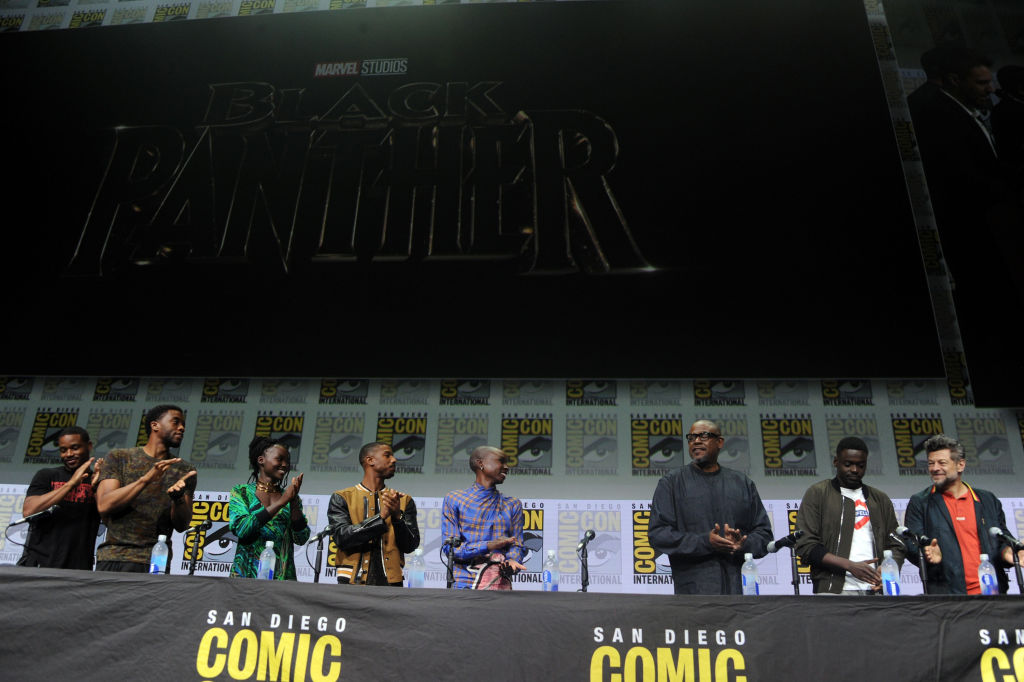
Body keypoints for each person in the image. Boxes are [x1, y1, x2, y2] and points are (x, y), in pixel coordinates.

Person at [648, 419, 772, 594]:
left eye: (703, 436)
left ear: (719, 442)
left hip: (740, 593)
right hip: (693, 594)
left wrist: (742, 544)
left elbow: (764, 535)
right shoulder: (672, 483)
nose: (696, 441)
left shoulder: (742, 483)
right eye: (691, 438)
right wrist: (705, 542)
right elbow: (658, 534)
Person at [905, 434, 1023, 594]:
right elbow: (912, 544)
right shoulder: (920, 502)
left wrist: (1007, 552)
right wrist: (928, 554)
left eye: (942, 463)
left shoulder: (987, 499)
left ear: (960, 464)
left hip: (993, 596)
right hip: (948, 598)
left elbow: (1001, 538)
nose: (934, 468)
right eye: (931, 463)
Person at [794, 437, 904, 594]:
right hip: (833, 590)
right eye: (848, 464)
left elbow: (897, 544)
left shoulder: (880, 499)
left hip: (876, 591)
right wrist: (850, 565)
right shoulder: (818, 493)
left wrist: (888, 570)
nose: (854, 469)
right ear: (836, 462)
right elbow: (805, 544)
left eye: (860, 465)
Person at [94, 405, 197, 572]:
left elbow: (182, 525)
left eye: (183, 424)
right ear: (155, 425)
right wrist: (146, 479)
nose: (182, 428)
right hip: (115, 557)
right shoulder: (119, 458)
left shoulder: (184, 469)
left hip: (156, 560)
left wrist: (178, 500)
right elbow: (104, 504)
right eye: (175, 422)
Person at [327, 442, 419, 586]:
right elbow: (342, 537)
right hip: (351, 583)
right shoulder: (342, 497)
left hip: (391, 584)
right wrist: (381, 517)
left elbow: (410, 545)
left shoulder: (403, 501)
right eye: (387, 455)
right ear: (370, 460)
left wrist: (397, 517)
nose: (394, 460)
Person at [17, 426, 103, 569]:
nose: (68, 454)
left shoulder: (98, 481)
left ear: (89, 446)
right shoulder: (47, 475)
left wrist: (95, 488)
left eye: (75, 448)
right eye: (63, 450)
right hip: (40, 565)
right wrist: (71, 484)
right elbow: (29, 510)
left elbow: (106, 517)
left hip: (78, 567)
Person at [441, 445, 525, 588]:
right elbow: (451, 549)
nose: (506, 467)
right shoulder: (454, 499)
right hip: (463, 586)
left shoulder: (512, 504)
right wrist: (489, 545)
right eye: (501, 461)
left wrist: (512, 561)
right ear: (481, 463)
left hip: (499, 585)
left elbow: (517, 545)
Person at [228, 436, 309, 579]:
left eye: (287, 461)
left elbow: (301, 538)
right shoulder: (242, 492)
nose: (285, 465)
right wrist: (281, 502)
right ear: (261, 460)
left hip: (282, 578)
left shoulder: (290, 497)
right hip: (246, 576)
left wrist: (293, 501)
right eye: (280, 459)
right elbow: (242, 529)